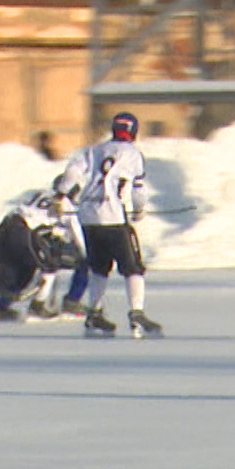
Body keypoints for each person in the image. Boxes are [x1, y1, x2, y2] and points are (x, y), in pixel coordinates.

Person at [61, 111, 162, 339]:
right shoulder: (133, 154)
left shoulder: (94, 150)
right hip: (114, 216)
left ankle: (94, 312)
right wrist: (139, 209)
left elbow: (72, 171)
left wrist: (61, 194)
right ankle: (136, 312)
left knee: (99, 266)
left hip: (88, 215)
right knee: (133, 267)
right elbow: (138, 189)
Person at [0, 185, 83, 323]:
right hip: (24, 231)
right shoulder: (67, 205)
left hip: (6, 227)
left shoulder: (39, 192)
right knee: (49, 265)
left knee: (6, 277)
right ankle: (38, 306)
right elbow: (77, 235)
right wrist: (85, 255)